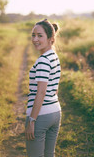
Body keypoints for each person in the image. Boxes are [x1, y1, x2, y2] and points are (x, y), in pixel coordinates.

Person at [25, 19, 61, 157]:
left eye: (40, 36)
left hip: (41, 116)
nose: (35, 39)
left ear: (51, 39)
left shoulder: (43, 61)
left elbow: (41, 92)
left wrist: (32, 120)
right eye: (33, 35)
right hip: (55, 113)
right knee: (49, 154)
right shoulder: (54, 57)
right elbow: (54, 88)